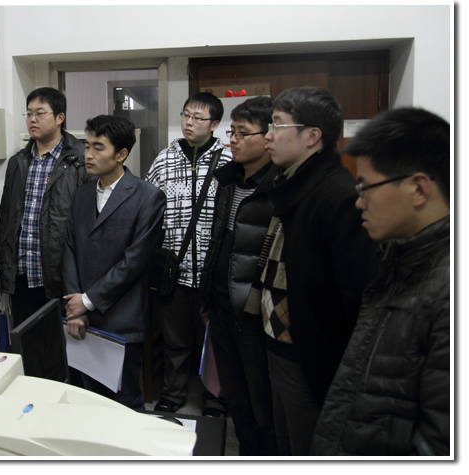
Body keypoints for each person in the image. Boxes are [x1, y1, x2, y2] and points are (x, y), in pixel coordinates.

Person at [311, 108, 450, 456]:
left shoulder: (448, 291)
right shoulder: (400, 260)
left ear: (418, 188)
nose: (359, 202)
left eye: (367, 187)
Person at [257, 86, 379, 455]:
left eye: (277, 125)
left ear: (312, 136)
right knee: (283, 441)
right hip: (278, 343)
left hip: (309, 354)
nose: (267, 135)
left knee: (307, 447)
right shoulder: (292, 183)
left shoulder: (337, 196)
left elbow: (356, 298)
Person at [62, 115, 165, 410]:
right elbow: (69, 248)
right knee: (83, 400)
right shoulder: (82, 194)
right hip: (79, 316)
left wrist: (88, 301)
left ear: (121, 155)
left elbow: (134, 261)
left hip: (121, 318)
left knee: (123, 403)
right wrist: (75, 305)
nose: (88, 154)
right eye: (87, 146)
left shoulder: (148, 197)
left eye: (98, 147)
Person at [200, 96, 280, 455]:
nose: (233, 140)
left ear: (268, 136)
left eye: (243, 133)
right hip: (221, 306)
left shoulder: (278, 187)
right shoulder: (228, 180)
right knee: (234, 396)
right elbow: (218, 243)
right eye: (231, 132)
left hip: (254, 313)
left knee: (262, 400)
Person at [146, 92, 231, 415]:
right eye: (186, 115)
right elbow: (149, 208)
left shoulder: (228, 161)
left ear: (214, 124)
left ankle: (215, 395)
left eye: (198, 118)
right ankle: (173, 392)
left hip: (213, 270)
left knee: (213, 339)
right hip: (174, 268)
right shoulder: (164, 159)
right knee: (175, 339)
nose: (189, 122)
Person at [0, 87, 88, 325]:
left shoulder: (80, 160)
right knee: (25, 343)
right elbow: (5, 217)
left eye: (40, 113)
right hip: (21, 277)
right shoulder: (18, 162)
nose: (32, 119)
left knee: (63, 346)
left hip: (61, 280)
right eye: (28, 113)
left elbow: (90, 223)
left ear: (60, 117)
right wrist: (1, 268)